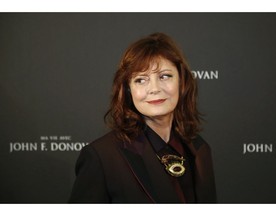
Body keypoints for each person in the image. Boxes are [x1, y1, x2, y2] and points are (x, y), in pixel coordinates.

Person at [68, 32, 217, 203]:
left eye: (164, 76)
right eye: (140, 80)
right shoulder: (102, 157)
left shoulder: (199, 149)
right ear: (129, 90)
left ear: (182, 82)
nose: (154, 89)